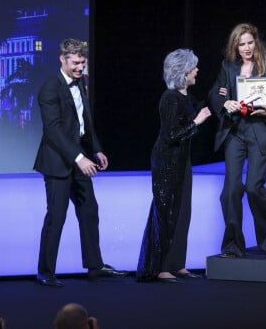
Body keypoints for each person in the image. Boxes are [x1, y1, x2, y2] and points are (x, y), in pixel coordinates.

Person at [34, 38, 127, 287]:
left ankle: (95, 266)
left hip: (81, 158)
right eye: (75, 63)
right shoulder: (49, 88)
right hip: (58, 163)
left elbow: (84, 121)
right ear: (62, 59)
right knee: (56, 216)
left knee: (89, 211)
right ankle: (45, 271)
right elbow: (53, 131)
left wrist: (96, 150)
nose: (80, 68)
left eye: (82, 63)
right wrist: (79, 158)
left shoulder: (81, 83)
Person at [208, 23, 266, 258]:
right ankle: (233, 245)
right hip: (235, 131)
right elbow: (216, 92)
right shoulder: (228, 66)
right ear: (235, 46)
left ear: (256, 42)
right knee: (231, 189)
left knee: (254, 188)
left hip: (259, 130)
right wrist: (224, 103)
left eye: (250, 43)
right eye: (241, 44)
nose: (246, 48)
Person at [136, 49, 211, 283]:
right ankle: (160, 266)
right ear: (183, 71)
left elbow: (200, 106)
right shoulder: (170, 97)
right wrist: (197, 122)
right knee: (166, 212)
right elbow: (170, 135)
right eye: (193, 67)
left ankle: (177, 263)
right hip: (167, 160)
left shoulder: (185, 94)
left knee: (182, 212)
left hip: (182, 160)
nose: (197, 70)